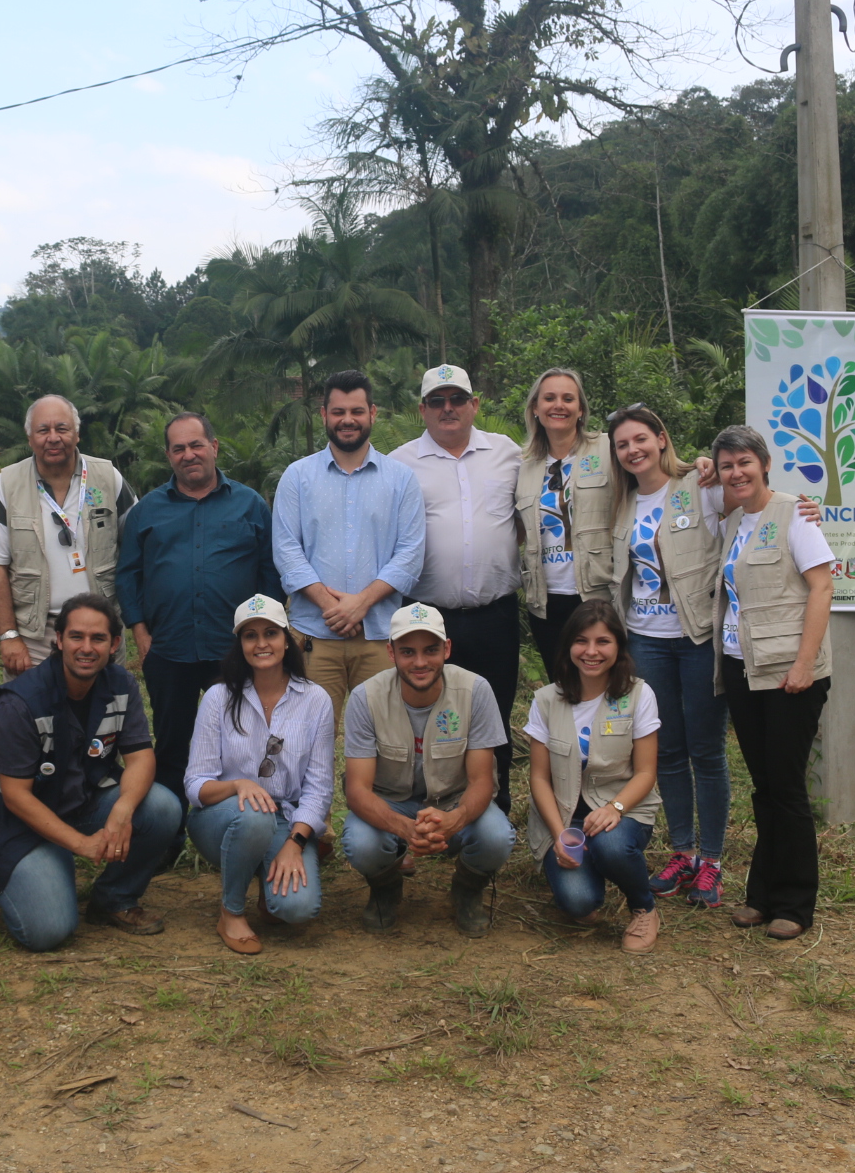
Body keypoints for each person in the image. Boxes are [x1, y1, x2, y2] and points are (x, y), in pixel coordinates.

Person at [607, 404, 823, 909]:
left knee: (706, 750)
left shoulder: (701, 486)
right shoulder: (622, 503)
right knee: (668, 751)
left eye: (642, 438)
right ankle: (682, 853)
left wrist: (804, 507)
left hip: (701, 636)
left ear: (662, 438)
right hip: (646, 638)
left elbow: (760, 502)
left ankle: (713, 862)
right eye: (622, 444)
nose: (634, 449)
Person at [0, 593, 183, 952]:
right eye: (76, 637)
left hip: (81, 802)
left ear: (115, 644)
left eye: (98, 638)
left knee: (163, 807)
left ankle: (113, 898)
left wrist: (121, 810)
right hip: (17, 826)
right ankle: (39, 872)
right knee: (49, 931)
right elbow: (15, 797)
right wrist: (80, 845)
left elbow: (141, 757)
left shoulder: (120, 684)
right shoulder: (19, 701)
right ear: (58, 640)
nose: (86, 648)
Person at [117, 412, 282, 839]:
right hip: (168, 649)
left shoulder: (249, 504)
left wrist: (264, 637)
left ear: (214, 447)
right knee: (173, 745)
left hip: (234, 650)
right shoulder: (146, 511)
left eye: (196, 445)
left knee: (244, 743)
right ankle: (168, 835)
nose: (188, 454)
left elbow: (269, 573)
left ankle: (240, 829)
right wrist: (139, 631)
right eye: (178, 448)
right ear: (169, 456)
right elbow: (127, 575)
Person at [711, 424, 835, 942]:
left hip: (790, 673)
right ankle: (761, 895)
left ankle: (795, 903)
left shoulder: (794, 514)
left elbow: (822, 586)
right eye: (726, 465)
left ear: (765, 464)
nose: (736, 472)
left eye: (745, 462)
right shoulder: (736, 520)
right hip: (744, 669)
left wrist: (804, 665)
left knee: (786, 790)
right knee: (765, 788)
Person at [390, 364, 525, 816]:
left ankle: (493, 812)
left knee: (494, 714)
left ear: (475, 405)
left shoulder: (508, 453)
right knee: (423, 715)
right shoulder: (399, 463)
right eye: (437, 401)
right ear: (422, 410)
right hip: (427, 617)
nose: (448, 409)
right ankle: (420, 808)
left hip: (495, 614)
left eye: (457, 400)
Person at [340, 603, 516, 936]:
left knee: (497, 836)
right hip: (391, 802)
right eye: (408, 651)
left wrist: (455, 820)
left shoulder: (476, 690)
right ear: (390, 653)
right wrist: (405, 829)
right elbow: (358, 790)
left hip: (453, 799)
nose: (420, 662)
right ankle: (385, 889)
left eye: (430, 650)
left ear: (446, 649)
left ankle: (467, 890)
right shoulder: (366, 697)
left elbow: (482, 781)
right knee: (361, 843)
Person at [272, 370, 425, 736]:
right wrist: (332, 606)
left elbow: (410, 553)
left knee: (388, 742)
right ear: (324, 415)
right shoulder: (297, 476)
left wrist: (360, 604)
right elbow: (286, 550)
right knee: (304, 743)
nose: (347, 420)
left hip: (380, 639)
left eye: (356, 411)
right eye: (338, 412)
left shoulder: (401, 479)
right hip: (314, 638)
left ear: (373, 413)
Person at [184, 595, 333, 954]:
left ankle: (268, 883)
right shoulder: (219, 698)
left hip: (285, 820)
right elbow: (195, 785)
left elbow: (319, 788)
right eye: (250, 635)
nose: (261, 643)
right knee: (254, 815)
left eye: (270, 632)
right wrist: (238, 785)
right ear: (240, 645)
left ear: (288, 640)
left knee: (297, 909)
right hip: (225, 818)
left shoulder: (316, 700)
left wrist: (295, 844)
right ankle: (231, 912)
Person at [523, 599, 664, 952]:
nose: (591, 652)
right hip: (567, 819)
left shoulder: (638, 694)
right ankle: (591, 874)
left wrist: (615, 808)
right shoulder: (545, 700)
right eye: (581, 641)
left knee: (610, 844)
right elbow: (539, 778)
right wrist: (558, 834)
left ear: (619, 646)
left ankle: (644, 906)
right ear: (568, 645)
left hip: (623, 810)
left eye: (603, 642)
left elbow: (647, 772)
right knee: (578, 903)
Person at [0, 395, 137, 675]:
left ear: (77, 434)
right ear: (29, 437)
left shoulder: (107, 477)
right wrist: (9, 635)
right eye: (43, 430)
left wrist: (137, 622)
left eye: (62, 428)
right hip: (35, 635)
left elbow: (137, 545)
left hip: (98, 630)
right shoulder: (8, 483)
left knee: (103, 712)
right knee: (32, 715)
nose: (53, 438)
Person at [515, 368, 618, 682]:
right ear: (535, 408)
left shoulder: (608, 449)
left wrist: (699, 464)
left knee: (608, 690)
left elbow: (655, 468)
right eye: (549, 398)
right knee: (565, 692)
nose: (558, 405)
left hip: (597, 597)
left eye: (567, 398)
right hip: (546, 603)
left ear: (581, 409)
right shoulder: (524, 466)